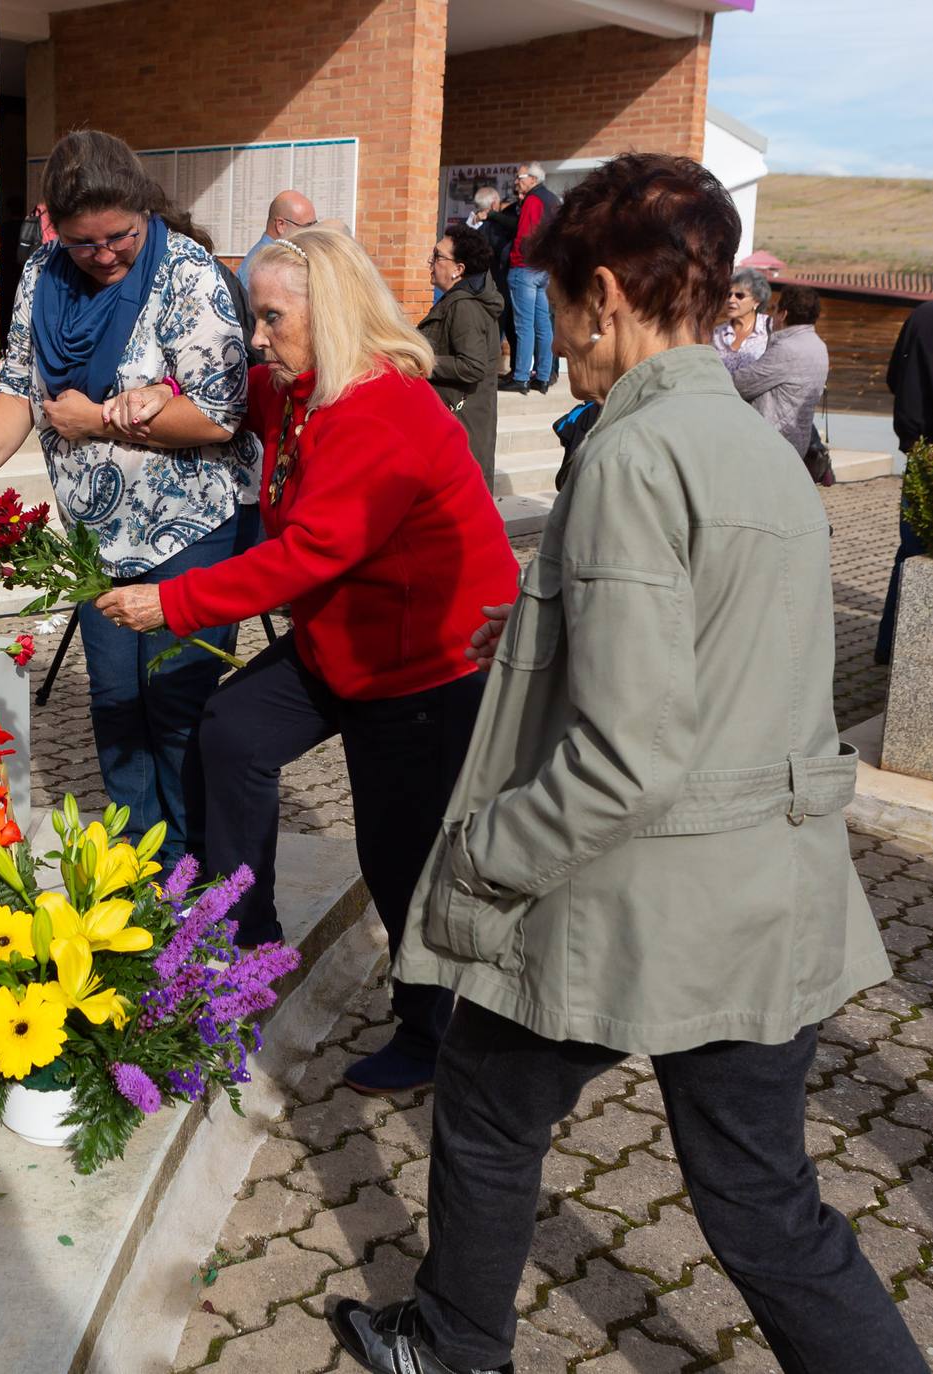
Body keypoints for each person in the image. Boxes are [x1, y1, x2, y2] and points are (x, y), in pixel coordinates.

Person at [332, 151, 920, 1374]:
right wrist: (542, 628)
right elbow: (723, 647)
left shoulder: (631, 454)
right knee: (768, 1203)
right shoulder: (761, 443)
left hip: (640, 891)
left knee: (488, 1110)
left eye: (556, 301)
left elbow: (629, 752)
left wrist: (486, 856)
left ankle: (452, 1347)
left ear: (604, 292)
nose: (562, 336)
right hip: (767, 890)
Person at [95, 229, 517, 1093]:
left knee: (399, 858)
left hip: (425, 665)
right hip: (341, 642)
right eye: (253, 315)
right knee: (232, 728)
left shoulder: (385, 412)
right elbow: (234, 393)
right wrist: (161, 392)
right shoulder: (301, 386)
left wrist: (169, 602)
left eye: (270, 316)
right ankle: (246, 940)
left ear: (329, 312)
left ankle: (433, 1030)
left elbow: (308, 552)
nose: (257, 335)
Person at [0, 129, 259, 863]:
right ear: (56, 227)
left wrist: (96, 420)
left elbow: (219, 412)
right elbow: (20, 385)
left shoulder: (187, 275)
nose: (105, 254)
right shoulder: (42, 277)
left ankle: (199, 875)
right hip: (96, 537)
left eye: (119, 236)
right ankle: (136, 870)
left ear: (145, 211)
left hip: (194, 528)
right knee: (116, 708)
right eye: (86, 243)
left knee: (178, 708)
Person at [417, 224, 503, 488]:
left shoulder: (464, 306)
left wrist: (421, 360)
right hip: (459, 423)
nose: (431, 262)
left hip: (462, 424)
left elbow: (472, 366)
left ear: (459, 269)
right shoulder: (459, 300)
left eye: (438, 256)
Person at [879, 300, 933, 664]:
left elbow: (893, 378)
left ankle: (890, 645)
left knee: (912, 551)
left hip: (918, 446)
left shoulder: (920, 315)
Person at [731, 284, 829, 461]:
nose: (771, 315)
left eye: (775, 309)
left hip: (771, 444)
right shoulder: (819, 346)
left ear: (783, 314)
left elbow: (741, 385)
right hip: (796, 441)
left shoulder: (788, 349)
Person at [498, 162, 559, 395]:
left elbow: (524, 235)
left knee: (523, 325)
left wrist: (515, 261)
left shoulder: (533, 201)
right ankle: (543, 376)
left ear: (533, 179)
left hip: (526, 268)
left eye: (520, 177)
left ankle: (522, 376)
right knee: (542, 324)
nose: (517, 181)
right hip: (543, 269)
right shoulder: (552, 200)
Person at [465, 185, 514, 370]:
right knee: (495, 325)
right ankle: (488, 364)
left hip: (476, 284)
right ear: (494, 203)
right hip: (494, 282)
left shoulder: (468, 225)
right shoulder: (494, 228)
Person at [235, 189, 316, 291]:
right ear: (280, 225)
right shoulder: (263, 265)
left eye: (315, 225)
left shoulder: (273, 259)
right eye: (307, 226)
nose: (312, 232)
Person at [714, 266, 771, 372]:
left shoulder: (770, 328)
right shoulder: (717, 334)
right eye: (728, 295)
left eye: (739, 295)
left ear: (756, 301)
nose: (731, 300)